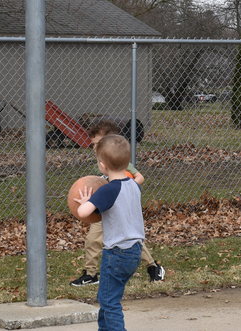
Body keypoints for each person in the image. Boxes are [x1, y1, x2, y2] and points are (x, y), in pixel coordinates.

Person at [71, 119, 165, 287]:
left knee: (129, 241)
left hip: (118, 207)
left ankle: (153, 266)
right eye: (93, 144)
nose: (94, 148)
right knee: (93, 239)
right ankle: (91, 274)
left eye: (98, 143)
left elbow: (139, 177)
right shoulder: (102, 164)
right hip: (104, 207)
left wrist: (126, 189)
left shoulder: (120, 162)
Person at [74, 134, 144, 331]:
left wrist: (88, 201)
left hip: (116, 253)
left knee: (109, 301)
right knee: (107, 297)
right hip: (134, 251)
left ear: (102, 165)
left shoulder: (107, 191)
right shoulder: (134, 185)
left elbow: (82, 212)